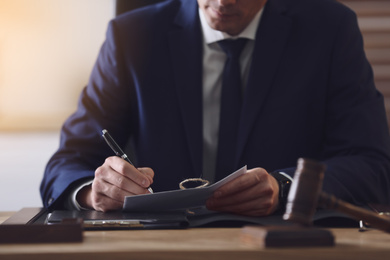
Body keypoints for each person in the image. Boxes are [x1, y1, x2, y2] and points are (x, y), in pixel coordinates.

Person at [40, 0, 390, 216]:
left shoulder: (330, 30)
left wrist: (285, 187)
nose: (225, 0)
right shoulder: (131, 36)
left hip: (282, 245)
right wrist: (92, 190)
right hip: (161, 248)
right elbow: (65, 165)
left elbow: (371, 165)